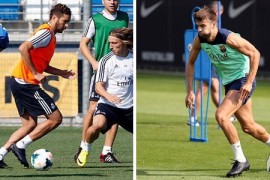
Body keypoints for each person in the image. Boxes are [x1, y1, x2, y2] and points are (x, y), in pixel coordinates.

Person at [185, 7, 270, 177]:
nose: (199, 29)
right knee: (248, 127)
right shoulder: (199, 40)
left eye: (203, 25)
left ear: (213, 24)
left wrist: (249, 82)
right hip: (230, 83)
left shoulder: (228, 37)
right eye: (198, 26)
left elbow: (255, 53)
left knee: (221, 116)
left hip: (243, 80)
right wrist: (190, 91)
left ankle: (241, 160)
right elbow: (190, 63)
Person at [0, 3, 76, 168]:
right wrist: (35, 73)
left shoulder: (51, 36)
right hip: (24, 82)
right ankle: (20, 145)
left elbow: (43, 65)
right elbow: (23, 48)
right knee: (56, 118)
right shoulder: (45, 33)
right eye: (65, 21)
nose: (67, 25)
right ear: (54, 18)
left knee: (29, 124)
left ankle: (0, 154)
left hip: (19, 81)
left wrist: (61, 72)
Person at [74, 0, 129, 164]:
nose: (112, 2)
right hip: (101, 72)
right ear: (103, 1)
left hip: (119, 73)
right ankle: (83, 145)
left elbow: (127, 42)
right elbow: (83, 43)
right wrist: (93, 62)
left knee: (117, 109)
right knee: (92, 109)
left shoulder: (124, 17)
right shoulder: (95, 19)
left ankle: (107, 152)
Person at [187, 1, 236, 126]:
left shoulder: (216, 24)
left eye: (219, 10)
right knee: (205, 87)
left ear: (222, 11)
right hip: (208, 61)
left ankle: (225, 114)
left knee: (214, 88)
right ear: (211, 10)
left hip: (215, 61)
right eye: (214, 10)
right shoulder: (206, 23)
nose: (217, 12)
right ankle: (193, 117)